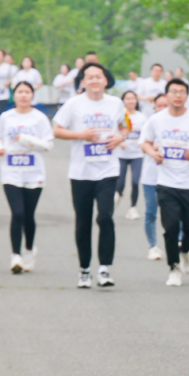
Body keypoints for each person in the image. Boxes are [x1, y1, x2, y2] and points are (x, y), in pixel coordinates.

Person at [53, 62, 127, 288]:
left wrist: (121, 137)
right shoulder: (73, 104)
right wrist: (81, 134)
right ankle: (84, 269)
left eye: (99, 76)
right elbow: (56, 130)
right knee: (83, 222)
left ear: (106, 80)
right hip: (81, 172)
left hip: (108, 170)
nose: (94, 80)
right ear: (82, 82)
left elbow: (125, 126)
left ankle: (104, 268)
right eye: (89, 77)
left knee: (105, 217)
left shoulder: (116, 103)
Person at [140, 77, 189, 286]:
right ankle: (173, 268)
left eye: (182, 92)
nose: (178, 95)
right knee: (170, 227)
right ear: (166, 95)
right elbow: (144, 142)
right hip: (166, 182)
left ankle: (185, 251)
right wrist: (153, 154)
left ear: (186, 95)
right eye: (174, 91)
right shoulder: (157, 119)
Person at [0, 81, 53, 273]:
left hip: (34, 173)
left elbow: (47, 144)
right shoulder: (6, 117)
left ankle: (29, 249)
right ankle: (16, 256)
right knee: (18, 213)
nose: (23, 95)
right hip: (11, 172)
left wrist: (24, 139)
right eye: (20, 92)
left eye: (27, 92)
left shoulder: (39, 118)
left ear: (32, 95)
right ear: (14, 95)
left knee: (29, 215)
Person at [141, 93, 170, 260]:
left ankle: (181, 242)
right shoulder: (151, 122)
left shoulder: (180, 124)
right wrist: (154, 149)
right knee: (151, 212)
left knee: (174, 212)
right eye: (159, 106)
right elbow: (142, 144)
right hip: (151, 176)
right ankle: (153, 246)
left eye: (165, 105)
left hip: (172, 177)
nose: (162, 109)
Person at [116, 91, 146, 219]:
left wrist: (142, 144)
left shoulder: (142, 117)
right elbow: (113, 131)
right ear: (123, 101)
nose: (130, 101)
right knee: (120, 183)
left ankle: (133, 208)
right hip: (121, 154)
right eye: (127, 99)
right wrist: (120, 142)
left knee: (135, 181)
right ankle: (115, 200)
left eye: (132, 99)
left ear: (136, 101)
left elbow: (146, 135)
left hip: (137, 155)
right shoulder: (120, 116)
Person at [0, 50, 15, 117]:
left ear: (3, 57)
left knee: (0, 113)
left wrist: (8, 82)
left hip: (3, 94)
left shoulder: (7, 67)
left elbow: (12, 76)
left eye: (0, 55)